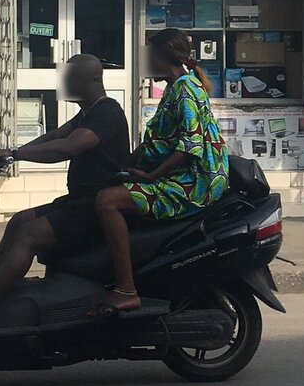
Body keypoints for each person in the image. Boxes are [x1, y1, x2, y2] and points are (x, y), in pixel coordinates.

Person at [0, 54, 130, 330]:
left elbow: (69, 147)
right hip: (78, 201)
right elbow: (55, 136)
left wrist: (15, 154)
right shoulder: (88, 113)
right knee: (19, 221)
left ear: (94, 79)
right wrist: (8, 154)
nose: (66, 82)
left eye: (73, 77)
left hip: (94, 207)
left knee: (29, 235)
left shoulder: (107, 112)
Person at [90, 28, 229, 316]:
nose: (146, 62)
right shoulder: (175, 86)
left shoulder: (185, 89)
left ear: (164, 56)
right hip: (181, 176)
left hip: (194, 183)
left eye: (150, 55)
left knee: (107, 201)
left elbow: (190, 144)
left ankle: (126, 289)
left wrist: (152, 177)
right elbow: (161, 139)